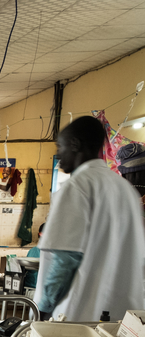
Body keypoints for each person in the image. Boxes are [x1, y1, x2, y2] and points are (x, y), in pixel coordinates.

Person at [34, 116, 145, 321]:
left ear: (75, 144)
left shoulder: (76, 187)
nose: (59, 154)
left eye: (61, 146)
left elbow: (64, 259)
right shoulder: (125, 189)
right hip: (126, 318)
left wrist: (43, 309)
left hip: (82, 314)